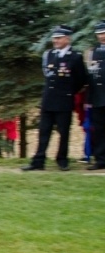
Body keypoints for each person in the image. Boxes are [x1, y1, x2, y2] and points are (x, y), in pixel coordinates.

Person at [22, 25, 88, 171]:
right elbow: (47, 75)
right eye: (54, 38)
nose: (55, 41)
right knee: (43, 131)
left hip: (64, 100)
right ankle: (38, 161)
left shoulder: (75, 56)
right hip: (48, 99)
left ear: (67, 39)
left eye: (58, 38)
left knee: (64, 132)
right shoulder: (49, 54)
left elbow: (81, 79)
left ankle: (62, 160)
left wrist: (69, 91)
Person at [85, 20, 105, 170]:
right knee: (98, 130)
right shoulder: (93, 52)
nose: (102, 36)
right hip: (98, 96)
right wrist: (89, 98)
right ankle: (101, 159)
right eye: (99, 34)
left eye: (104, 33)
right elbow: (91, 76)